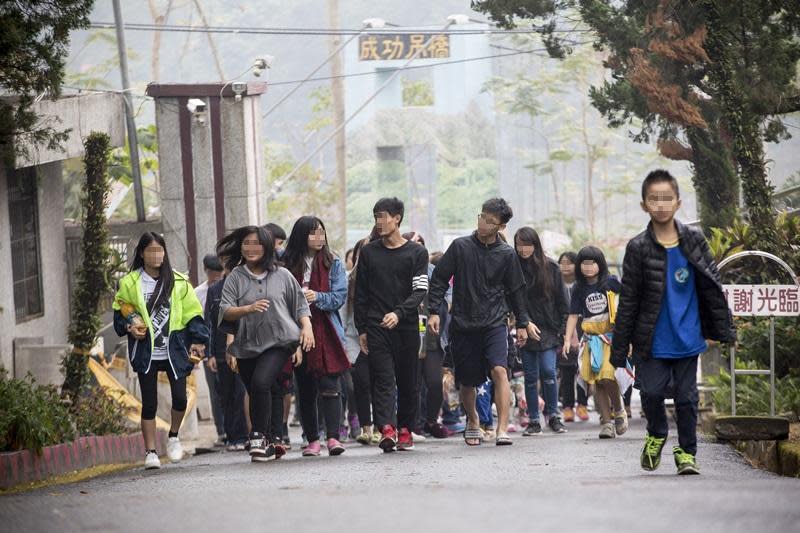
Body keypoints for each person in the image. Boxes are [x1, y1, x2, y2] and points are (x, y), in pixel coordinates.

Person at [611, 169, 735, 475]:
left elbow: (712, 286)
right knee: (651, 393)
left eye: (667, 198)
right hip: (651, 338)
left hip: (689, 336)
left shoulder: (694, 240)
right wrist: (620, 346)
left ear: (678, 202)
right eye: (654, 198)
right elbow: (628, 299)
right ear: (644, 205)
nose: (661, 204)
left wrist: (715, 329)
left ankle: (687, 453)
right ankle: (656, 434)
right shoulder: (638, 247)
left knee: (687, 398)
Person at [428, 198, 532, 447]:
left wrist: (522, 323)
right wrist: (433, 311)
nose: (484, 224)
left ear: (501, 226)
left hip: (495, 322)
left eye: (491, 221)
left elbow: (517, 290)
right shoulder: (460, 246)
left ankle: (502, 428)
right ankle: (473, 420)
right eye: (482, 217)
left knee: (500, 370)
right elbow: (440, 279)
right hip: (463, 323)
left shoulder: (507, 254)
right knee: (467, 381)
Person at [218, 226, 314, 462]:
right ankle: (272, 440)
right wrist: (247, 309)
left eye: (257, 244)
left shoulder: (282, 275)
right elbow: (225, 311)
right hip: (247, 343)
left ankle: (258, 436)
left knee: (262, 382)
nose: (251, 249)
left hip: (280, 340)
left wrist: (307, 328)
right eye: (247, 244)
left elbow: (300, 304)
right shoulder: (236, 277)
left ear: (267, 247)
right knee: (258, 390)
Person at [113, 232, 209, 470]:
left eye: (160, 250)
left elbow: (192, 313)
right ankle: (150, 452)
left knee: (180, 398)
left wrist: (198, 340)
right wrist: (129, 328)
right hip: (146, 352)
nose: (156, 255)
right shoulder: (130, 283)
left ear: (165, 253)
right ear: (142, 254)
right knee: (149, 402)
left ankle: (174, 436)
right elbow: (120, 312)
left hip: (174, 349)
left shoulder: (178, 281)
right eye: (151, 251)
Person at [354, 198, 429, 452]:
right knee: (383, 378)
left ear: (397, 218)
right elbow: (360, 293)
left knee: (408, 381)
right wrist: (361, 328)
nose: (379, 222)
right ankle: (386, 428)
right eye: (376, 216)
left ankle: (406, 428)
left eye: (384, 216)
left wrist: (399, 313)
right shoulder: (368, 252)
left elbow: (420, 291)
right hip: (376, 326)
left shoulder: (417, 253)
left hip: (406, 325)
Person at [283, 216, 351, 457]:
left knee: (330, 385)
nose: (319, 237)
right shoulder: (286, 262)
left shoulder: (333, 263)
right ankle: (312, 439)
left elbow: (338, 297)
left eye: (322, 232)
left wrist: (317, 297)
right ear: (301, 235)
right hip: (295, 332)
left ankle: (333, 437)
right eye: (313, 233)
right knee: (305, 388)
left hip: (326, 331)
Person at [563, 246, 627, 439]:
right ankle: (606, 423)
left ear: (600, 264)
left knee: (608, 375)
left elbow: (626, 303)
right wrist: (567, 339)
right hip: (590, 340)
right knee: (596, 382)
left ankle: (618, 410)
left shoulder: (611, 282)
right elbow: (573, 315)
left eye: (593, 263)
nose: (589, 267)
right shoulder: (578, 288)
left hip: (610, 338)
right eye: (585, 263)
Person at [514, 227, 568, 436]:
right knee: (529, 375)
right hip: (524, 327)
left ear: (535, 244)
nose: (524, 249)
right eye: (520, 245)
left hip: (548, 328)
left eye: (527, 244)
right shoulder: (514, 267)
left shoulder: (551, 267)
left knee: (548, 371)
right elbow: (514, 299)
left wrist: (562, 331)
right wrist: (521, 323)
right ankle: (534, 420)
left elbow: (564, 302)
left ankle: (554, 416)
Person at [204, 254, 249, 451]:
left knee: (242, 393)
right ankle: (232, 437)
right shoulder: (214, 290)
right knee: (226, 394)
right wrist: (210, 354)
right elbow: (210, 324)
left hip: (245, 350)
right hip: (221, 352)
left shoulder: (247, 286)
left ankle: (244, 435)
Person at [344, 238, 382, 446]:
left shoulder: (383, 277)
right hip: (354, 339)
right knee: (361, 383)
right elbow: (344, 314)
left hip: (380, 336)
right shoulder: (349, 279)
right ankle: (366, 427)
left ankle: (380, 426)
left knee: (380, 383)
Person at [196, 254, 226, 447]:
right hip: (207, 347)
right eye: (212, 273)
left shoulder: (227, 289)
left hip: (226, 344)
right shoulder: (197, 293)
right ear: (206, 270)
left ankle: (233, 428)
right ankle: (221, 431)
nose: (215, 276)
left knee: (231, 390)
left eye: (219, 273)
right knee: (215, 391)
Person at [557, 252, 590, 422]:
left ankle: (582, 405)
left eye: (570, 263)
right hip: (563, 331)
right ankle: (567, 406)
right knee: (567, 371)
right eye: (562, 263)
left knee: (583, 370)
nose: (566, 266)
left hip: (583, 330)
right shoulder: (556, 283)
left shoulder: (583, 285)